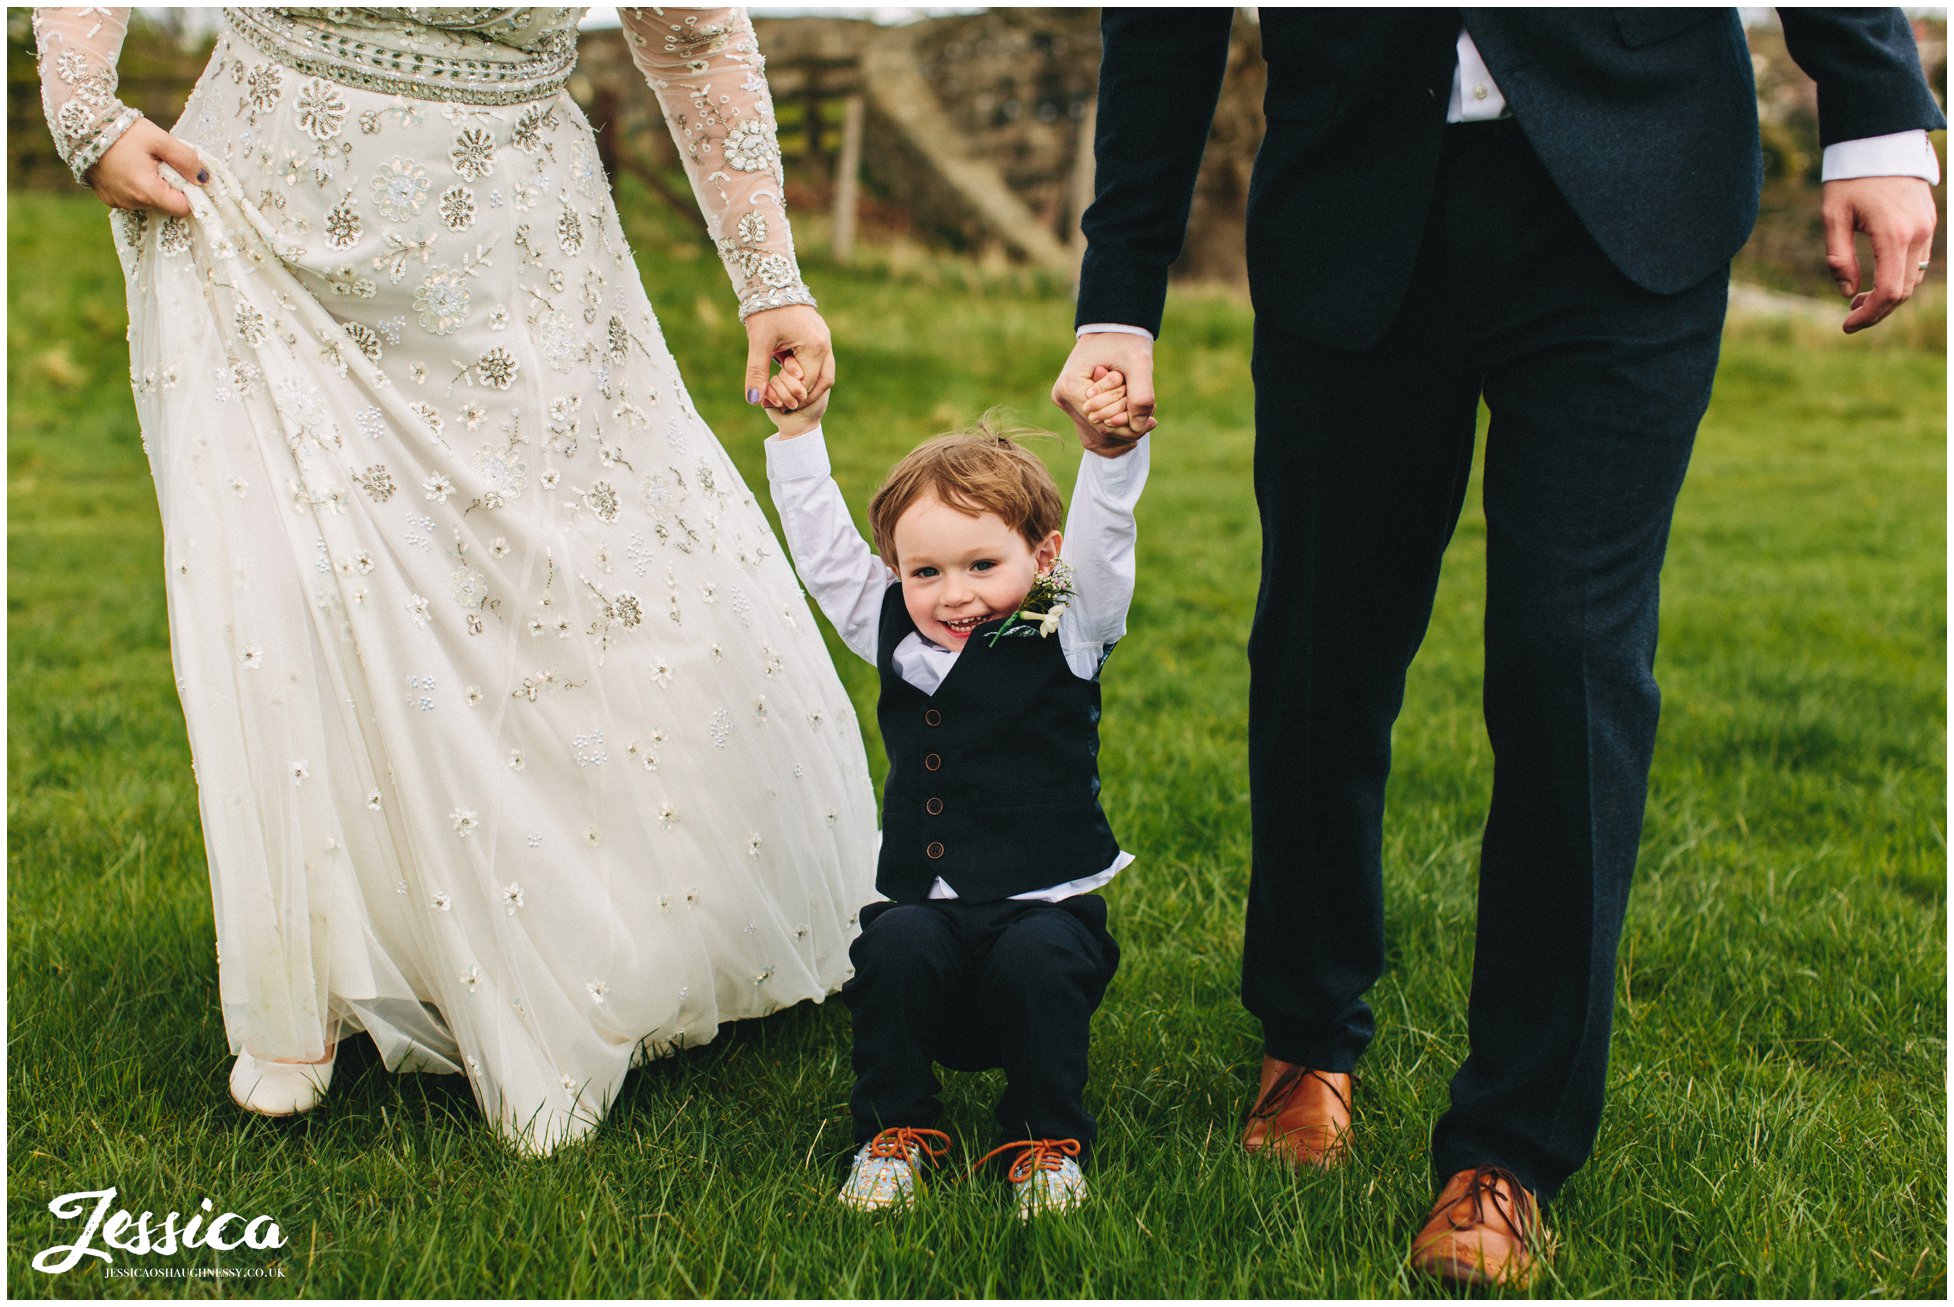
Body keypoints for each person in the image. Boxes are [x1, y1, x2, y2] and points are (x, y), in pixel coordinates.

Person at [1052, 8, 1942, 1287]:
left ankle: (1509, 1148)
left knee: (1568, 662)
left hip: (1633, 181)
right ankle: (1307, 1032)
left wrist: (1873, 107)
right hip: (1349, 189)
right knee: (1319, 644)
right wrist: (1119, 294)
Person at [32, 6, 879, 1156]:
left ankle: (575, 937)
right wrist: (83, 110)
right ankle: (307, 977)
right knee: (293, 576)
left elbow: (691, 36)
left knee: (558, 591)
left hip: (511, 237)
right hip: (265, 197)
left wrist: (769, 280)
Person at [759, 360, 1146, 1217]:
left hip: (1044, 908)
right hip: (927, 906)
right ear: (896, 568)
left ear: (1043, 556)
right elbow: (827, 558)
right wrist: (798, 437)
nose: (955, 593)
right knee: (890, 953)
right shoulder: (891, 626)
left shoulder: (1071, 625)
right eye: (925, 571)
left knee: (1042, 967)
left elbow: (1106, 541)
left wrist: (1110, 457)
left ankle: (1045, 1141)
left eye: (981, 563)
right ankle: (895, 1130)